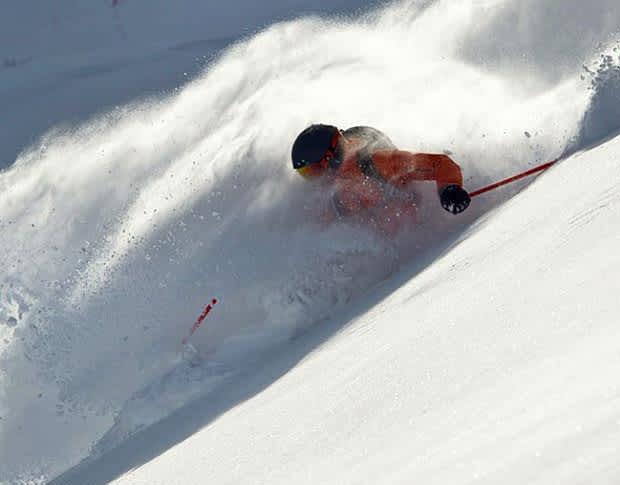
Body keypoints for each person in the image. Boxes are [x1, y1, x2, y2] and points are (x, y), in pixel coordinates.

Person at [291, 124, 470, 235]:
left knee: (392, 214)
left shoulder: (379, 162)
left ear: (330, 157)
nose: (315, 180)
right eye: (305, 174)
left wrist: (449, 189)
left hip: (403, 206)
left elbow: (440, 164)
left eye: (313, 171)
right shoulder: (333, 188)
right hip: (369, 205)